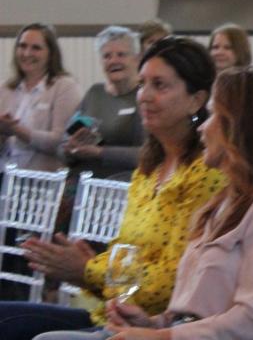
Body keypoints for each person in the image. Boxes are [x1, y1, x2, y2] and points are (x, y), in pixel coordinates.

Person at [34, 67, 253, 340]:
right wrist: (153, 322)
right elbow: (196, 308)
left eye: (213, 116)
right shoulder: (228, 200)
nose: (202, 128)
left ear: (243, 129)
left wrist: (163, 335)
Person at [0, 37, 225, 340]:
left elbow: (175, 281)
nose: (144, 96)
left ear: (196, 100)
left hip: (157, 326)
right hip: (112, 315)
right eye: (143, 84)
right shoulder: (149, 170)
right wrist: (85, 270)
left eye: (160, 85)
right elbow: (124, 254)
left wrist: (88, 270)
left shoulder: (204, 174)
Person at [58, 26, 145, 180]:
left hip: (119, 187)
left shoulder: (144, 97)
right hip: (81, 183)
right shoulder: (94, 93)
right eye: (107, 56)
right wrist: (70, 148)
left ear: (137, 58)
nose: (113, 61)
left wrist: (99, 152)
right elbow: (62, 147)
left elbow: (148, 154)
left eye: (121, 55)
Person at [0, 23, 82, 171]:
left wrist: (16, 130)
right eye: (22, 46)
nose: (26, 53)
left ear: (51, 53)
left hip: (44, 180)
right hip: (6, 176)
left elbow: (62, 142)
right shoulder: (5, 88)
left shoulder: (65, 86)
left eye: (35, 48)